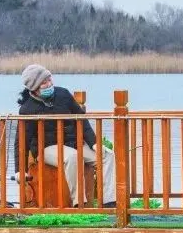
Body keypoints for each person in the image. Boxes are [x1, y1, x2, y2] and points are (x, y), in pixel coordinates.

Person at [15, 63, 116, 207]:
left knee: (107, 154)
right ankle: (79, 202)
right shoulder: (27, 109)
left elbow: (81, 118)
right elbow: (21, 141)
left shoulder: (63, 94)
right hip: (47, 148)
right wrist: (20, 170)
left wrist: (94, 142)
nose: (49, 84)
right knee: (72, 157)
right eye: (44, 83)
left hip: (74, 143)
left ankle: (109, 201)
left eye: (49, 79)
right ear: (34, 88)